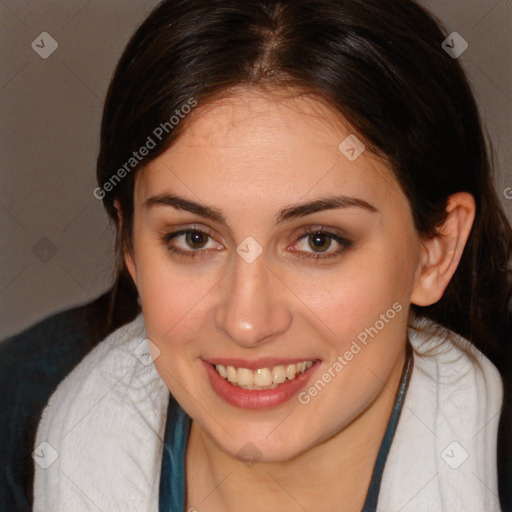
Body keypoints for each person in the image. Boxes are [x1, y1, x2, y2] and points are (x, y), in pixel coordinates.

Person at [32, 0, 512, 510]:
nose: (246, 322)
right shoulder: (14, 426)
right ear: (130, 245)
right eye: (194, 238)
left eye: (318, 240)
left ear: (435, 251)